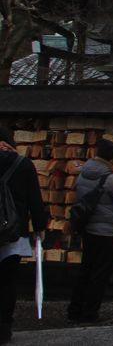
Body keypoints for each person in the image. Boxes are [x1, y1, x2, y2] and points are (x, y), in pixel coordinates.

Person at [68, 138, 113, 323]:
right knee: (100, 273)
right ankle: (90, 312)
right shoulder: (110, 179)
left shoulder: (83, 174)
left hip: (88, 229)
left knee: (86, 269)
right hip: (107, 231)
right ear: (112, 159)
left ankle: (75, 309)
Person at [0, 127, 46, 343]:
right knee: (7, 282)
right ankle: (4, 327)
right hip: (13, 233)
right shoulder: (23, 165)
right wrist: (39, 227)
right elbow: (35, 200)